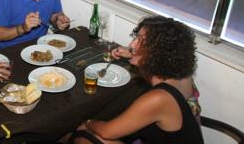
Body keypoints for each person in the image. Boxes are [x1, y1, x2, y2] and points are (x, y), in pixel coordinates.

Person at [74, 16, 204, 144]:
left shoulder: (158, 98)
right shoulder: (182, 76)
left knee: (84, 136)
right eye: (137, 38)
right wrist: (134, 53)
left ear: (159, 53)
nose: (132, 44)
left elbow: (107, 132)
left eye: (142, 41)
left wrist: (88, 122)